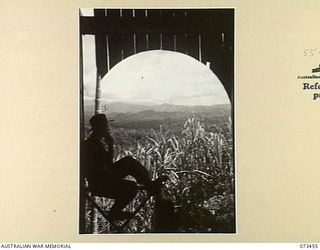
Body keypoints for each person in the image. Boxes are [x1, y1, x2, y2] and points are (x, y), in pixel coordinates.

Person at [81, 113, 160, 220]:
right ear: (100, 128)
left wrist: (110, 146)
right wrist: (116, 181)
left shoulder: (95, 143)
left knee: (128, 161)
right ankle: (115, 212)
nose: (108, 129)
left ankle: (149, 183)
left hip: (103, 178)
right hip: (101, 183)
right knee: (131, 187)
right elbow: (101, 169)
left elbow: (107, 165)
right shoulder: (92, 145)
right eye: (106, 126)